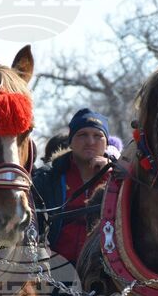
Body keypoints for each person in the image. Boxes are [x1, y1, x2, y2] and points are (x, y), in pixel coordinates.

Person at [31, 108, 113, 264]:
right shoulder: (47, 178)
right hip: (55, 273)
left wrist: (113, 174)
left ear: (107, 143)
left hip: (104, 275)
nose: (90, 141)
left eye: (98, 136)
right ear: (71, 141)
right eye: (82, 135)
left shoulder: (120, 180)